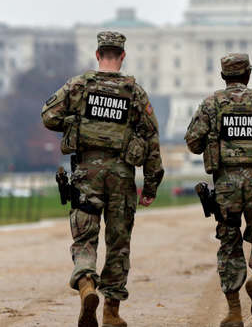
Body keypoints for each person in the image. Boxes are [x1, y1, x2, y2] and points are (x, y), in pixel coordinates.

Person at [41, 31, 164, 327]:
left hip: (87, 173)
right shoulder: (135, 92)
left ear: (98, 54)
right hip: (122, 176)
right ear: (122, 56)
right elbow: (151, 140)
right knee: (118, 243)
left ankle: (86, 285)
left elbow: (48, 116)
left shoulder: (79, 85)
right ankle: (111, 312)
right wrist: (150, 187)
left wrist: (77, 122)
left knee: (85, 236)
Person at [184, 53, 252, 327]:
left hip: (226, 185)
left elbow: (193, 143)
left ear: (223, 76)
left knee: (229, 243)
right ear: (248, 75)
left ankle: (234, 312)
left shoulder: (211, 104)